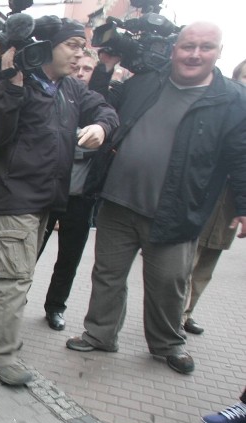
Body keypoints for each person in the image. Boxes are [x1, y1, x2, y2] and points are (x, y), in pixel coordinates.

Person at [66, 22, 246, 375]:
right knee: (107, 275)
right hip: (118, 202)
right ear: (175, 48)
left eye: (205, 47)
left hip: (175, 210)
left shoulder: (232, 100)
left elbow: (240, 155)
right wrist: (104, 67)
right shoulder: (148, 81)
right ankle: (101, 334)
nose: (195, 54)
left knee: (169, 282)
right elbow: (105, 106)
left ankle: (167, 343)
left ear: (219, 52)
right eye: (188, 46)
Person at [0, 19, 118, 386]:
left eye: (83, 48)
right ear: (49, 46)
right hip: (14, 198)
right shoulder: (16, 82)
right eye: (72, 45)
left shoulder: (70, 88)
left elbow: (107, 111)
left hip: (48, 200)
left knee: (12, 273)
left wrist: (101, 127)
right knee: (16, 278)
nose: (79, 54)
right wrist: (12, 80)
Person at [36, 49, 107, 332]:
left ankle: (55, 307)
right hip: (50, 193)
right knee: (31, 252)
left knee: (69, 259)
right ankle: (15, 300)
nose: (80, 72)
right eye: (77, 67)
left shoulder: (101, 107)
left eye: (87, 69)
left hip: (82, 198)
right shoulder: (57, 97)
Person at [181, 58, 246, 336]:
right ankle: (175, 315)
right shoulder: (226, 107)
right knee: (187, 259)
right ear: (235, 79)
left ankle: (187, 313)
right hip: (206, 192)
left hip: (233, 201)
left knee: (208, 262)